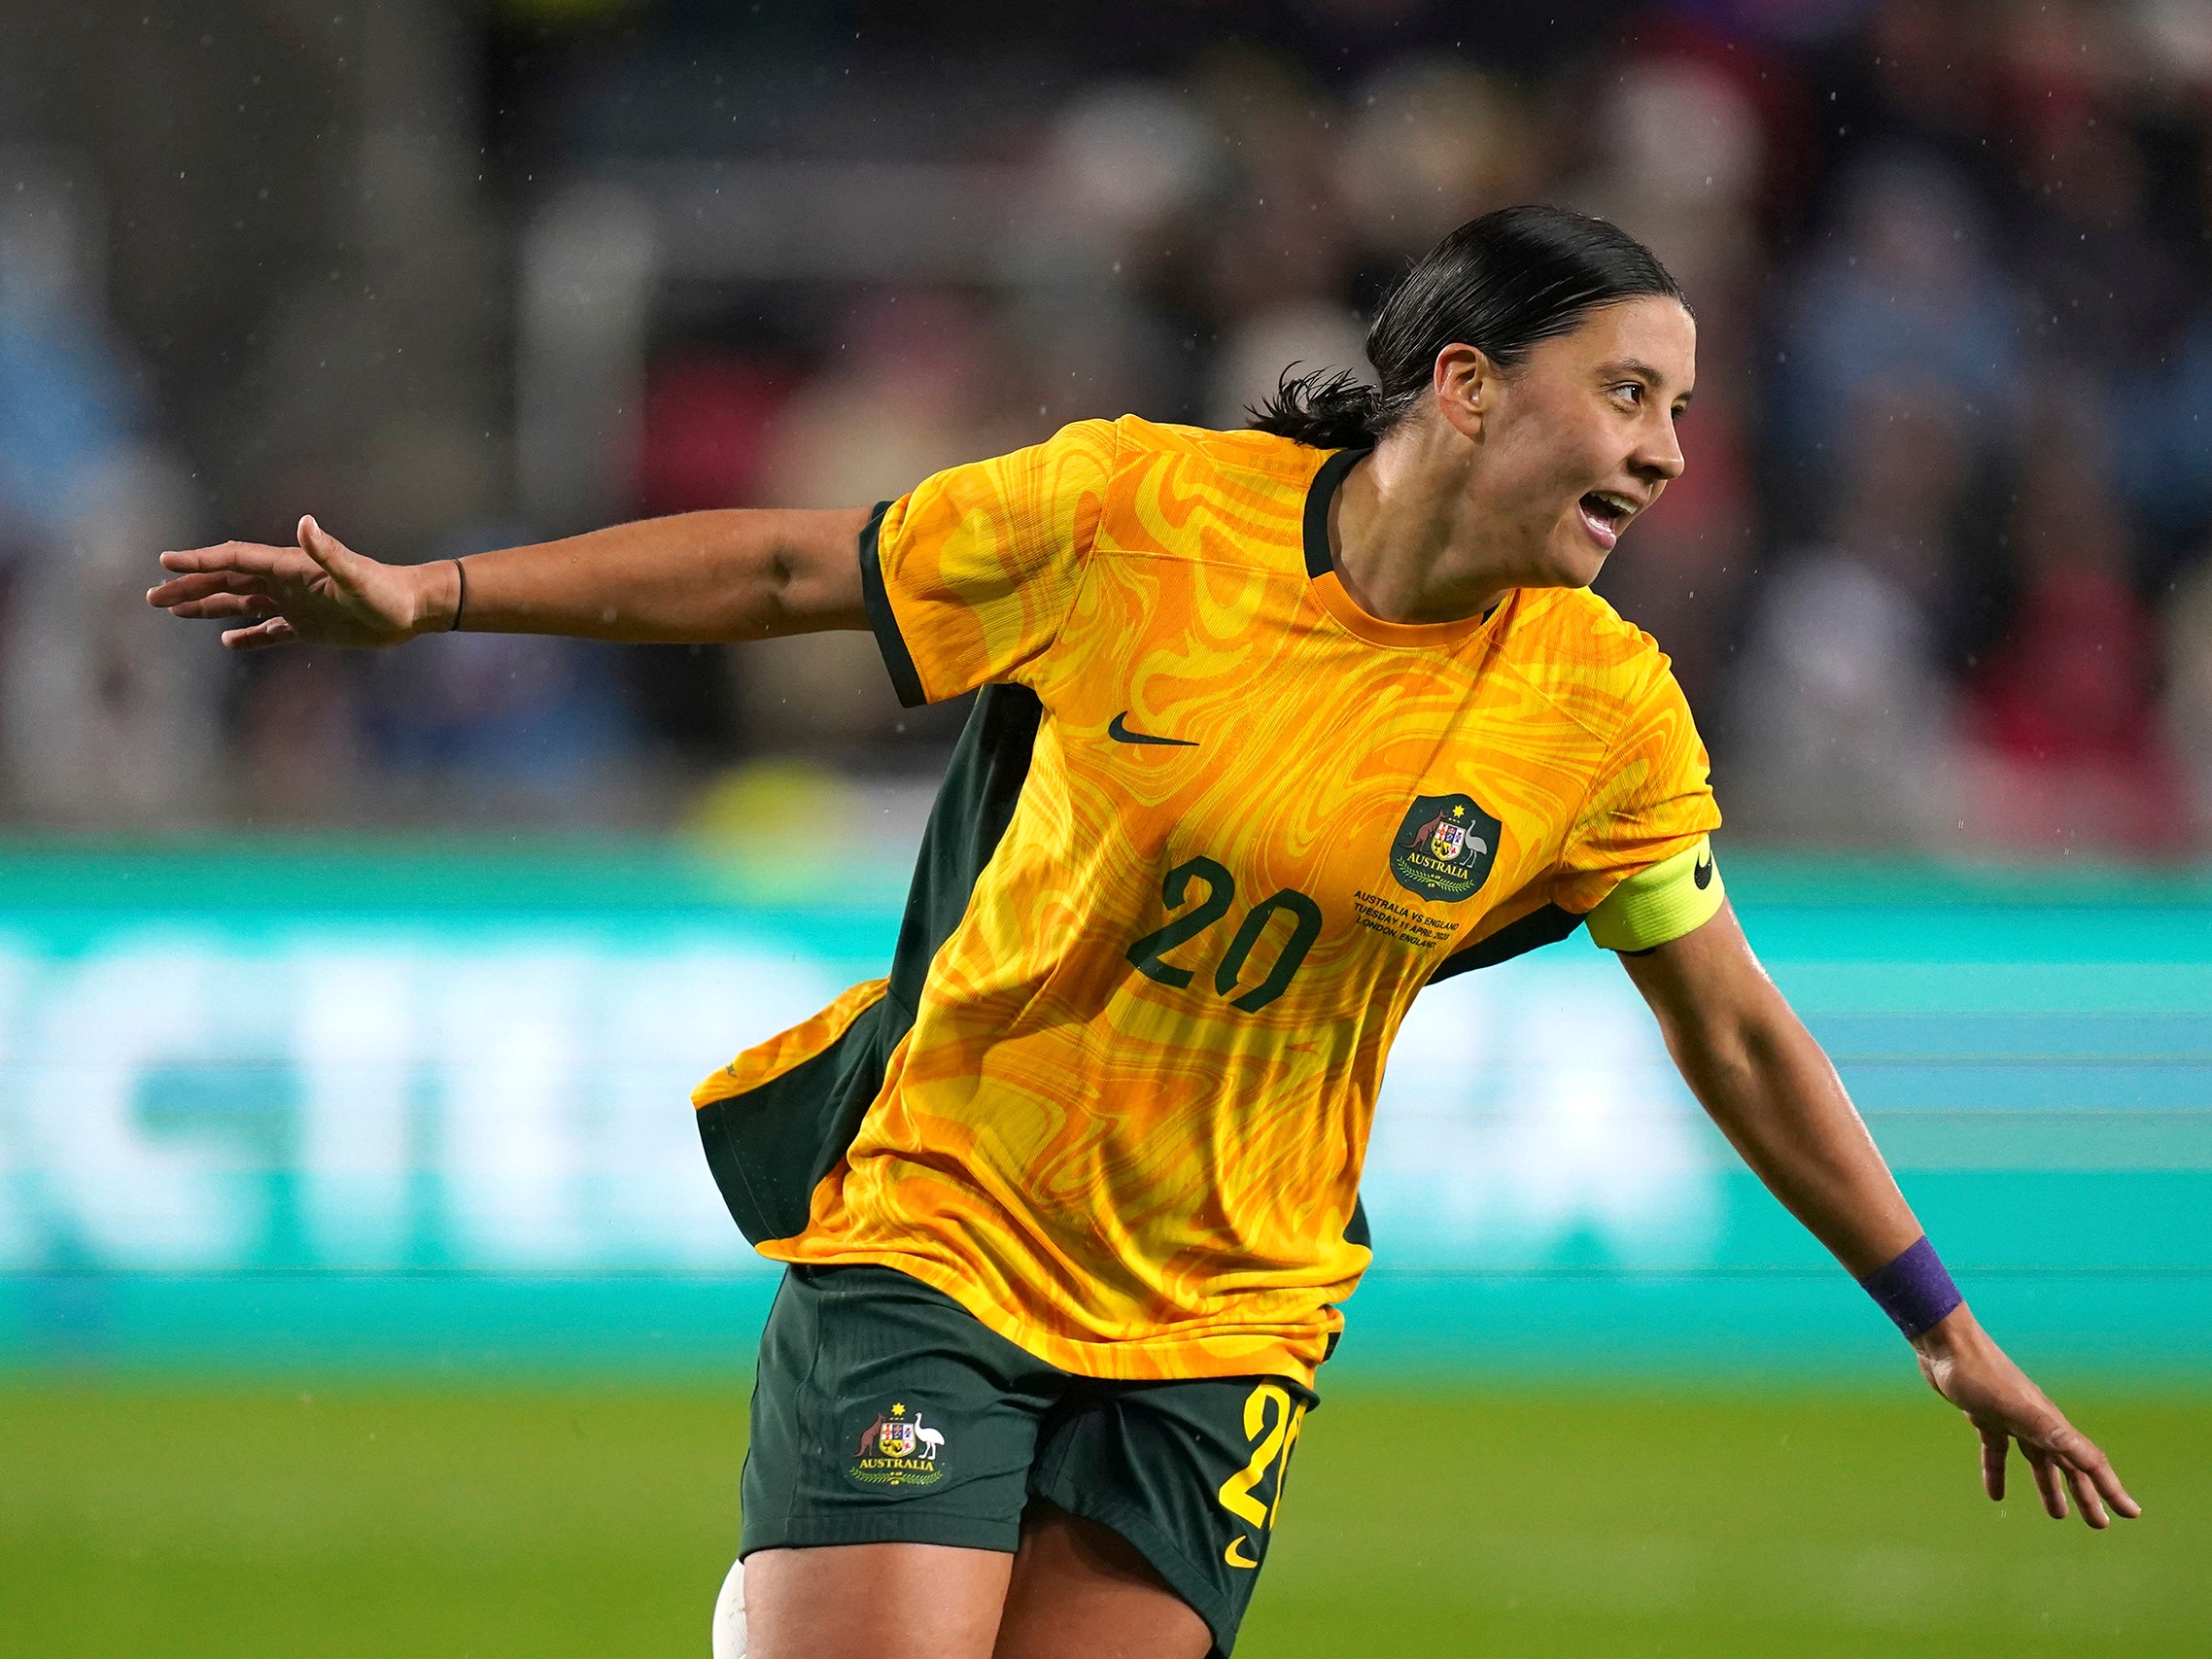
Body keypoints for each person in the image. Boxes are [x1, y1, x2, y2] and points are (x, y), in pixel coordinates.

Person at [147, 207, 2137, 1659]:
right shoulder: (1132, 518)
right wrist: (434, 594)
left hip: (1220, 1324)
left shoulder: (1600, 709)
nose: (1666, 450)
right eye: (1625, 393)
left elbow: (1735, 1026)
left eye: (1682, 410)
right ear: (1463, 385)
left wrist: (1941, 1325)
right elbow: (785, 563)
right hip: (947, 1221)